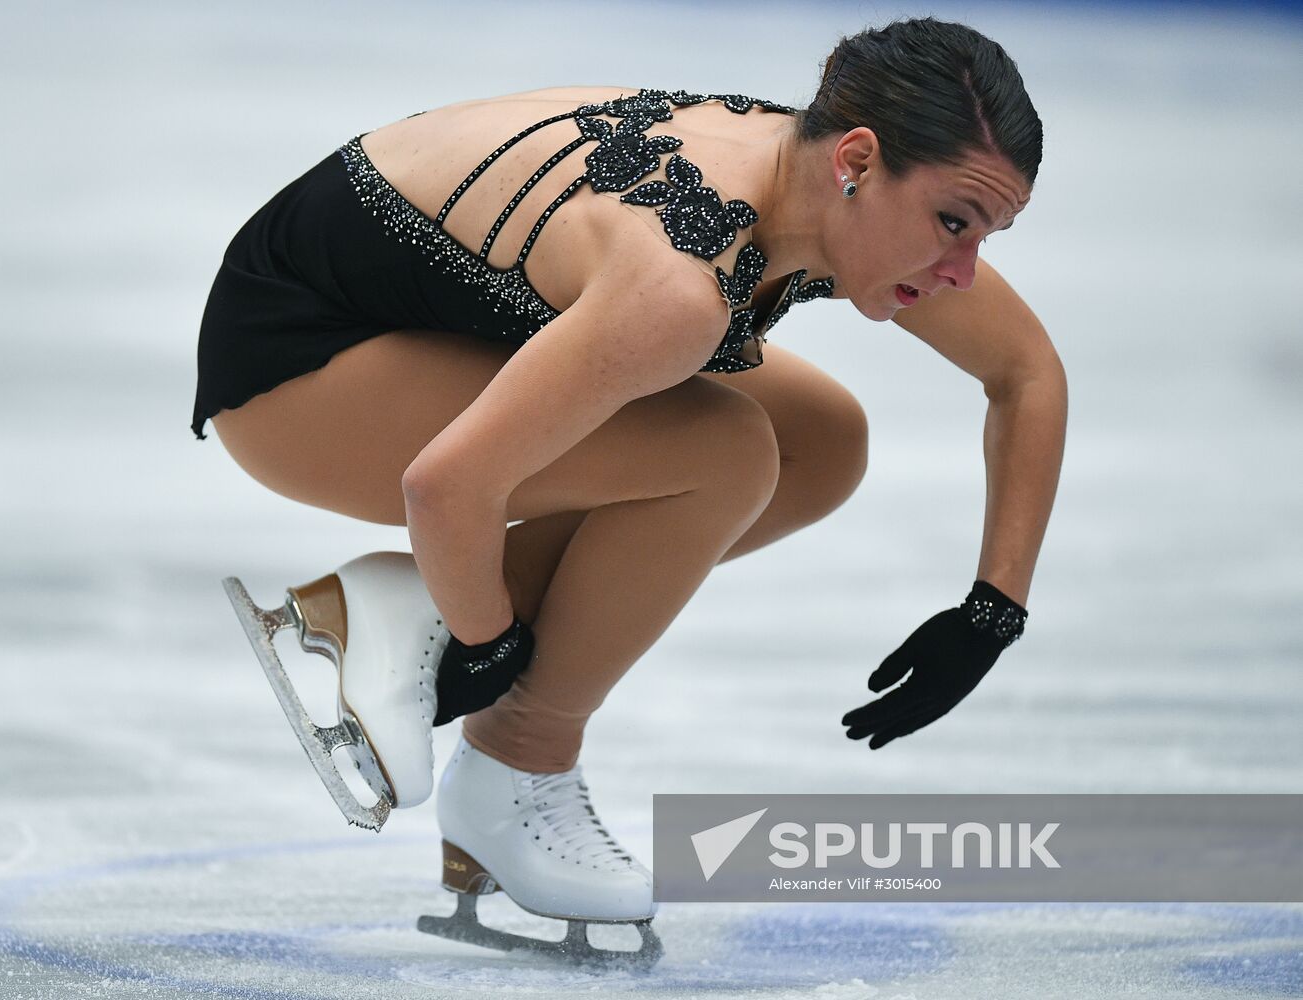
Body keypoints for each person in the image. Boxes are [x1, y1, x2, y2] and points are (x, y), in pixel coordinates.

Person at [194, 16, 1064, 965]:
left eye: (985, 233)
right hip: (298, 372)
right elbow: (446, 489)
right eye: (953, 223)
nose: (964, 269)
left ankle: (398, 609)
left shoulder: (807, 172)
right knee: (725, 452)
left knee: (822, 442)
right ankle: (517, 767)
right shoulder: (677, 284)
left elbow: (1026, 374)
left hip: (412, 310)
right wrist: (487, 642)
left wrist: (993, 610)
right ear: (858, 158)